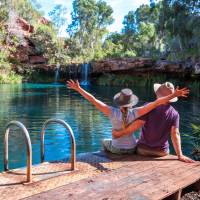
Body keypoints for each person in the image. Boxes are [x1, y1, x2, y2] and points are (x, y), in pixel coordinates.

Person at [67, 80, 189, 155]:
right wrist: (173, 95)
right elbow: (157, 103)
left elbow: (93, 100)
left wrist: (78, 89)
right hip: (139, 149)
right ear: (132, 103)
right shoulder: (137, 112)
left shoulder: (111, 112)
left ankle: (109, 157)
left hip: (127, 149)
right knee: (134, 140)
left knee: (104, 142)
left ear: (118, 102)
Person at [112, 82, 194, 163]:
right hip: (161, 152)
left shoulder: (148, 107)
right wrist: (180, 155)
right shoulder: (175, 113)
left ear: (157, 94)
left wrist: (119, 134)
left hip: (143, 150)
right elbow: (175, 134)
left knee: (135, 141)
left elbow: (137, 125)